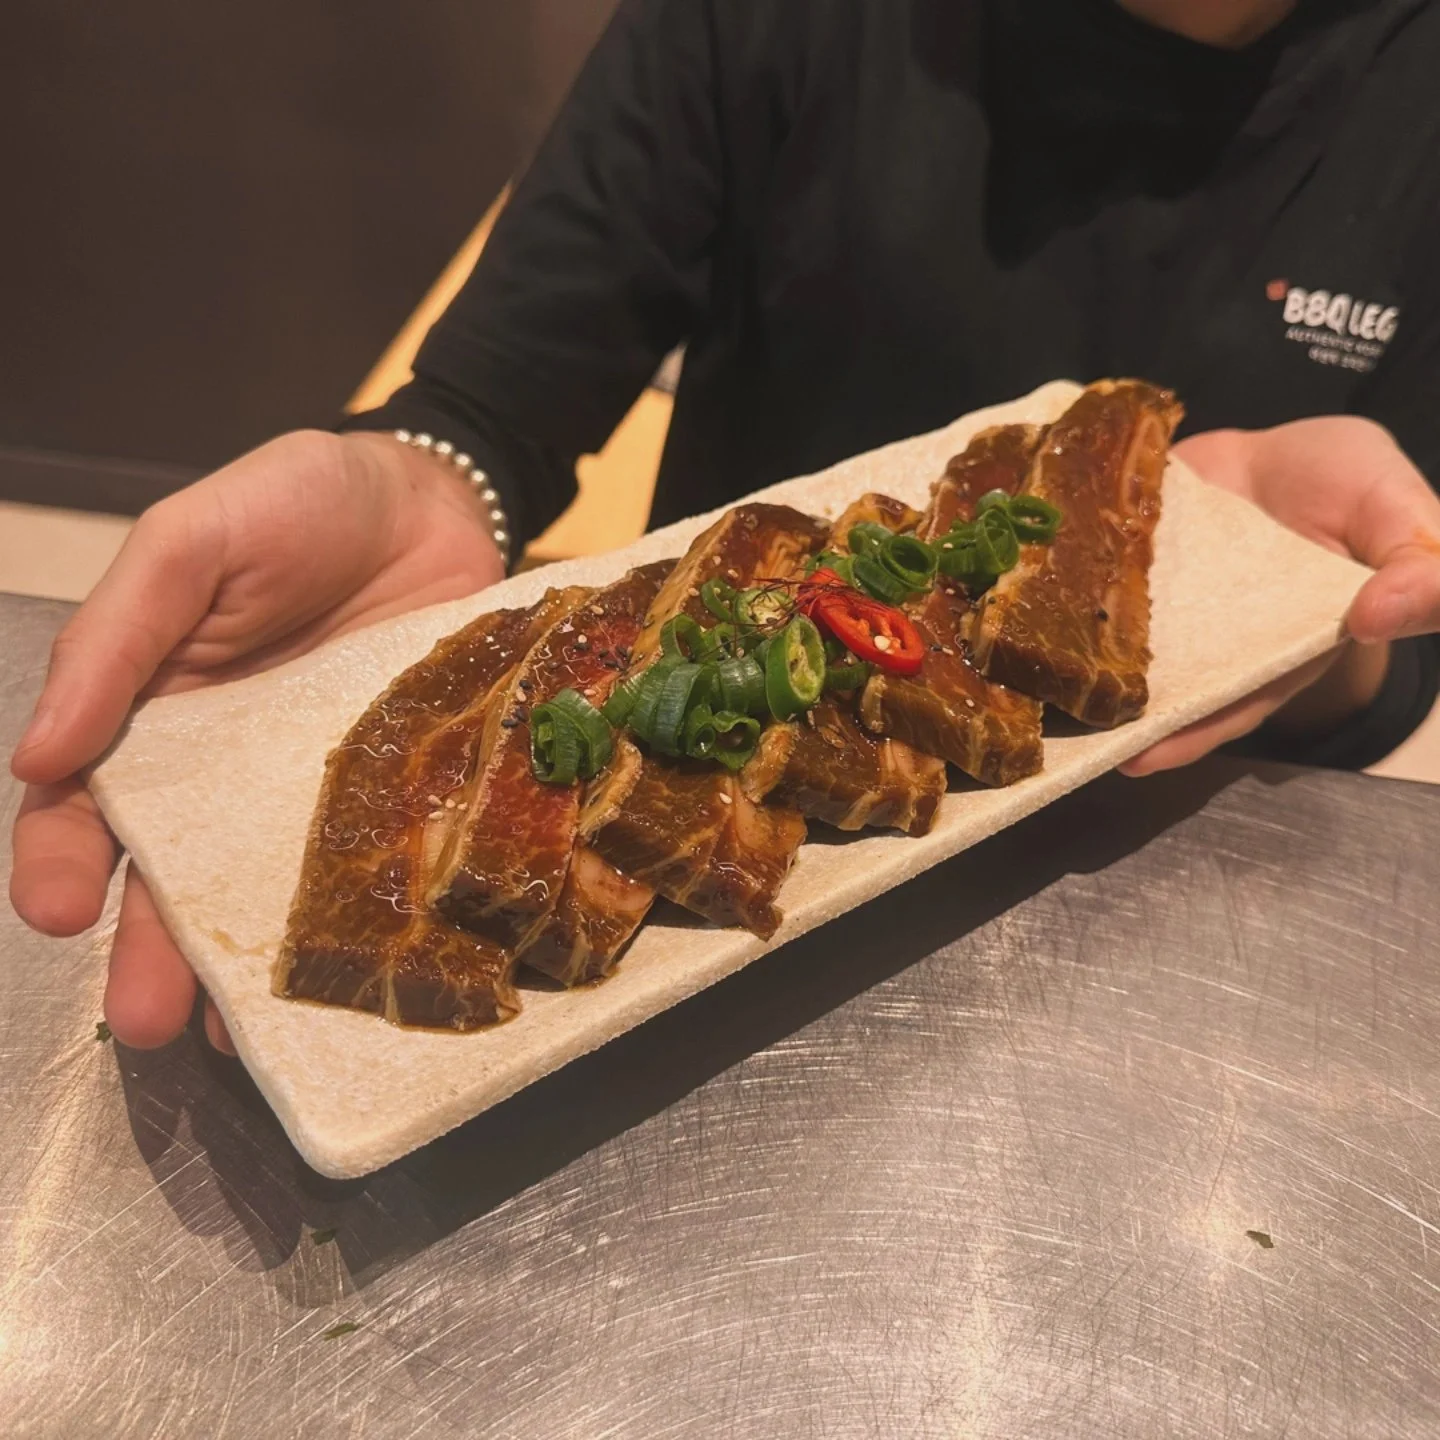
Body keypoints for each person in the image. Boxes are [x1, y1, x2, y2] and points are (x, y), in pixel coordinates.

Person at [11, 0, 1440, 1055]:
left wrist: (1323, 631)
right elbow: (496, 402)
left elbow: (1401, 661)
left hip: (1164, 933)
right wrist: (430, 478)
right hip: (707, 987)